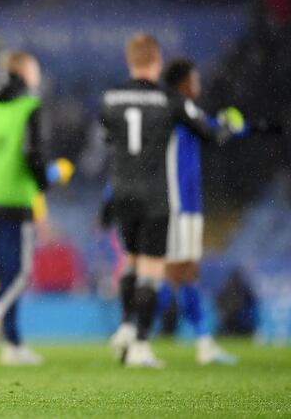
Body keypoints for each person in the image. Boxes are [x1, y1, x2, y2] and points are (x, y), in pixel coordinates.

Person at [102, 34, 242, 368]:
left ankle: (124, 326)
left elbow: (110, 139)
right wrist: (229, 126)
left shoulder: (111, 99)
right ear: (157, 61)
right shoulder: (170, 100)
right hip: (155, 195)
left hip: (123, 191)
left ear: (129, 60)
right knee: (153, 272)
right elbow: (210, 134)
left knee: (131, 264)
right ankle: (139, 346)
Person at [0, 52, 73, 365]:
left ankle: (14, 344)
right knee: (19, 274)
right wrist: (49, 177)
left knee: (3, 273)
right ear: (26, 74)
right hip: (13, 200)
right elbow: (34, 154)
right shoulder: (30, 107)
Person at [158, 58, 240, 365]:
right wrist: (230, 127)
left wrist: (227, 125)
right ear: (183, 83)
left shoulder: (181, 110)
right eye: (195, 79)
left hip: (187, 200)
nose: (199, 85)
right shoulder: (180, 106)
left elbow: (208, 128)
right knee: (174, 272)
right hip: (180, 201)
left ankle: (203, 341)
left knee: (182, 271)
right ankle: (134, 332)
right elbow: (213, 136)